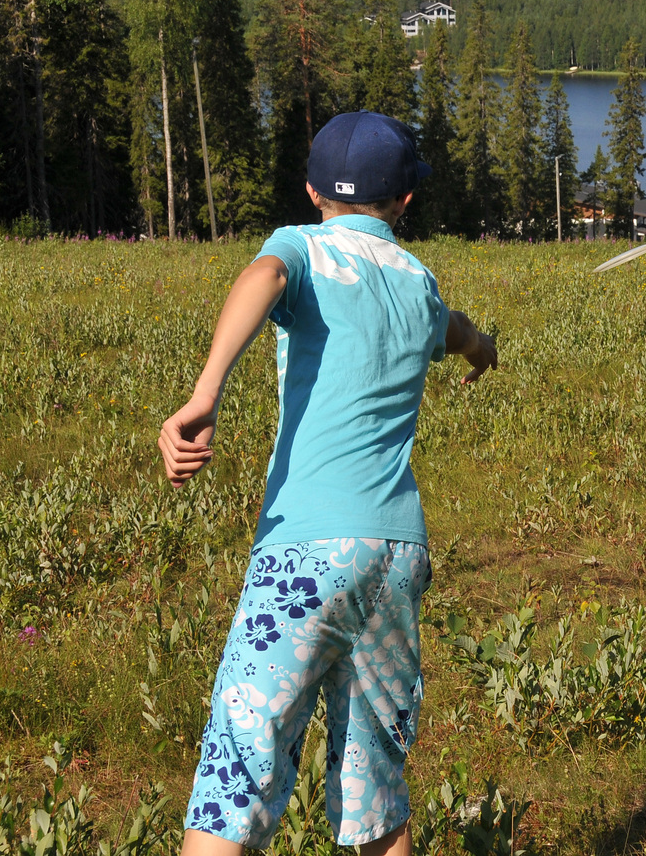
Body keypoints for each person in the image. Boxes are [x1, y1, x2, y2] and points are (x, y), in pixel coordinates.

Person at [158, 111, 497, 856]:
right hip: (395, 555)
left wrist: (207, 393)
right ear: (405, 201)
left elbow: (264, 275)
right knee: (375, 786)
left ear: (313, 192)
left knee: (238, 768)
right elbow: (459, 331)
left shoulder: (300, 249)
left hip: (305, 551)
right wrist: (485, 352)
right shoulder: (419, 282)